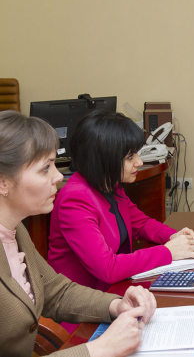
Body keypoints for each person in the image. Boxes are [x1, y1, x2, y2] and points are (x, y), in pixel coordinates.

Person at [0, 111, 157, 357]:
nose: (58, 176)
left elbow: (56, 292)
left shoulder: (16, 230)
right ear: (3, 182)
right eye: (45, 169)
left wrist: (116, 304)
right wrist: (98, 349)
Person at [48, 110, 194, 294]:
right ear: (104, 160)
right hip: (84, 303)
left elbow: (141, 224)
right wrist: (167, 252)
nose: (139, 162)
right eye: (130, 157)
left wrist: (174, 236)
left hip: (115, 290)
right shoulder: (74, 200)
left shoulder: (110, 184)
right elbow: (108, 268)